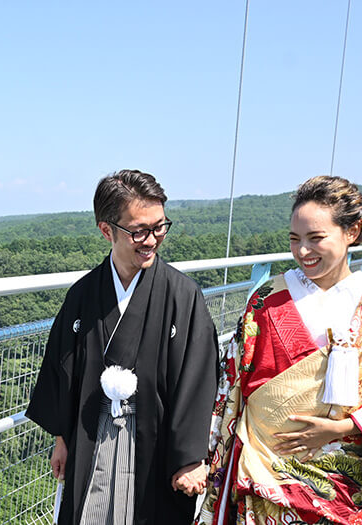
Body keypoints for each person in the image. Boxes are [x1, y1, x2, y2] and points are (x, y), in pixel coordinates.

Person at [198, 176, 362, 525]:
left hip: (343, 486)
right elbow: (230, 385)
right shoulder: (266, 300)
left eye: (316, 238)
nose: (303, 251)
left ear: (351, 232)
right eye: (295, 240)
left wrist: (341, 429)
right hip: (265, 477)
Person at [27, 169, 220, 525]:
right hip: (93, 433)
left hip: (157, 438)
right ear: (107, 230)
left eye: (160, 227)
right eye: (139, 231)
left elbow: (198, 377)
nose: (151, 240)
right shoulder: (84, 295)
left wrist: (190, 457)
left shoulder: (182, 295)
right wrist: (61, 438)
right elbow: (62, 368)